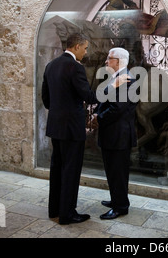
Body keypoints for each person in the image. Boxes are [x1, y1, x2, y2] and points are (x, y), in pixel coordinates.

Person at [42, 34, 129, 225]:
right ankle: (67, 214)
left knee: (57, 169)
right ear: (75, 46)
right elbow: (90, 97)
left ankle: (54, 209)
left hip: (55, 127)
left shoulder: (50, 66)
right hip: (72, 129)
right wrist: (113, 85)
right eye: (85, 48)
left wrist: (61, 110)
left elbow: (46, 100)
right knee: (71, 171)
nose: (86, 52)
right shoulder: (75, 67)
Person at [92, 47, 137, 220]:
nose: (106, 61)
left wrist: (98, 118)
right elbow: (105, 100)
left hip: (119, 135)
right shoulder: (116, 78)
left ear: (118, 61)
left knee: (118, 171)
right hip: (112, 133)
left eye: (109, 58)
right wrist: (97, 112)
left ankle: (120, 207)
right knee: (112, 170)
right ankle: (116, 199)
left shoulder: (127, 80)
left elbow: (117, 108)